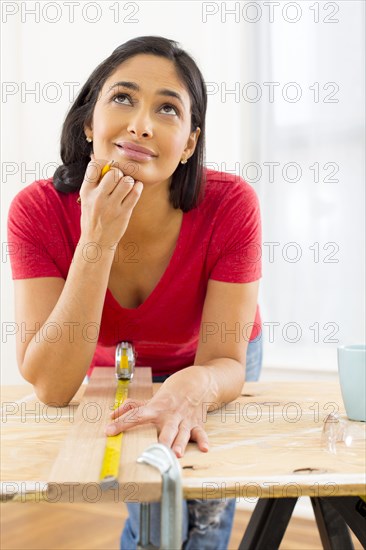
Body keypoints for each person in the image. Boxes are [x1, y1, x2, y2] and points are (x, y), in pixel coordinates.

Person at [7, 36, 263, 549]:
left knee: (205, 516)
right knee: (151, 516)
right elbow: (54, 387)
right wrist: (97, 239)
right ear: (88, 123)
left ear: (189, 143)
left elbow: (226, 362)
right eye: (122, 98)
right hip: (118, 364)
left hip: (212, 361)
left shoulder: (232, 205)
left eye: (167, 109)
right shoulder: (35, 212)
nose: (141, 123)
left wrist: (196, 385)